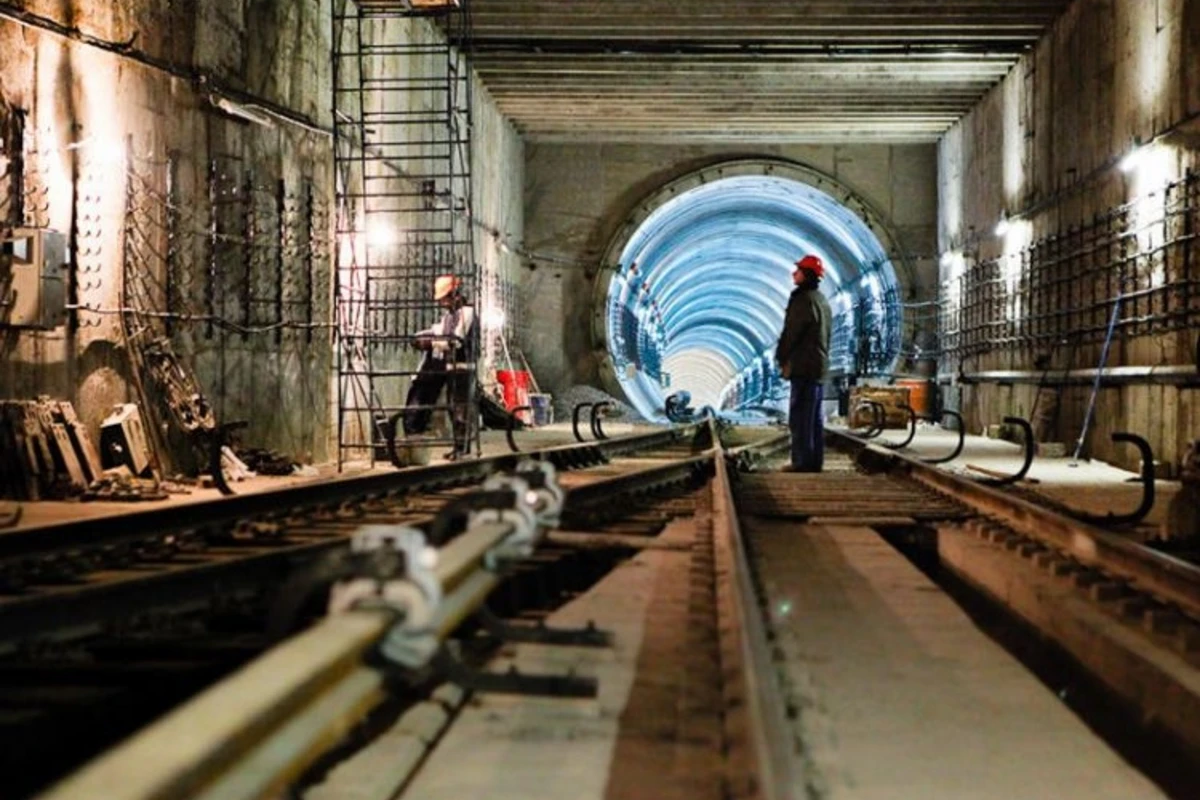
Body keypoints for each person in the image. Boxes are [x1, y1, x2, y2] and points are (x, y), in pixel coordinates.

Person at [403, 274, 477, 459]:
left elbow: (455, 340)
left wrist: (431, 343)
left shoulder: (467, 314)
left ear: (455, 295)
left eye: (444, 299)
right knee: (453, 408)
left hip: (463, 367)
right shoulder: (450, 316)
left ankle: (462, 448)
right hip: (451, 368)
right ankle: (459, 447)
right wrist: (420, 336)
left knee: (460, 408)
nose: (442, 304)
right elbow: (437, 331)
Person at [775, 254, 832, 472]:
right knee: (814, 418)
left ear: (806, 275)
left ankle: (801, 462)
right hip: (818, 365)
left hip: (804, 365)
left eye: (797, 270)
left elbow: (792, 333)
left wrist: (781, 356)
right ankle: (814, 461)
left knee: (800, 417)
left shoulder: (803, 300)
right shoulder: (821, 300)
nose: (793, 273)